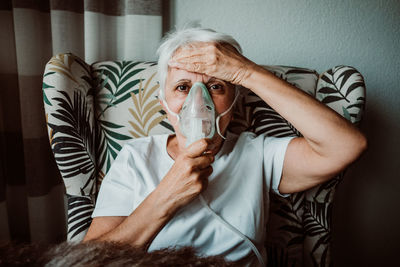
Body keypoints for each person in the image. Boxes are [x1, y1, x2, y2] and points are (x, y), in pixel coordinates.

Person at [83, 27, 367, 266]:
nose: (199, 99)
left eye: (216, 86)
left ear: (235, 103)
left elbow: (346, 146)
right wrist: (166, 197)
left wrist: (244, 71)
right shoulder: (135, 157)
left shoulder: (257, 154)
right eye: (182, 87)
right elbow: (89, 260)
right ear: (164, 104)